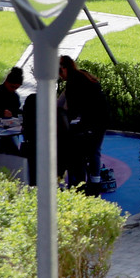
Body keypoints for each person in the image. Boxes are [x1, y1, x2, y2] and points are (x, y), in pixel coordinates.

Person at [58, 55, 105, 184]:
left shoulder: (73, 82)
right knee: (95, 151)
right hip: (101, 117)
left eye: (60, 73)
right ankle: (95, 181)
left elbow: (72, 110)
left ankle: (82, 181)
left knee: (85, 151)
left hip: (93, 120)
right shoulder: (83, 74)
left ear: (64, 69)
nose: (60, 77)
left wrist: (62, 120)